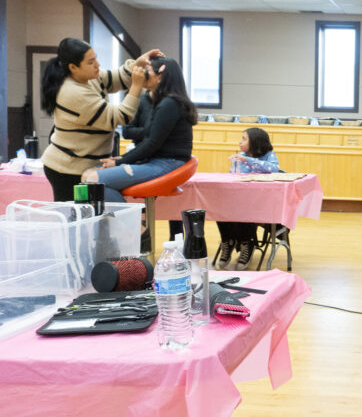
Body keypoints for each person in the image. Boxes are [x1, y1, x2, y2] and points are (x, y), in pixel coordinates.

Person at [39, 37, 160, 202]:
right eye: (91, 62)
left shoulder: (88, 77)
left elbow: (116, 78)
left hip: (88, 166)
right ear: (73, 67)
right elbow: (120, 117)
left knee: (91, 219)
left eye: (95, 58)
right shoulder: (73, 92)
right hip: (68, 168)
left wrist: (137, 64)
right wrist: (136, 87)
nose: (98, 64)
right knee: (76, 222)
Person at [83, 57, 196, 202]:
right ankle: (127, 222)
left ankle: (131, 224)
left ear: (160, 77)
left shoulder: (169, 104)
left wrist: (119, 162)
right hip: (161, 161)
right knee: (88, 175)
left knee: (93, 180)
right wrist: (123, 159)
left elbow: (151, 143)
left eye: (147, 71)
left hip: (166, 163)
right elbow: (149, 141)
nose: (143, 75)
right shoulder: (167, 102)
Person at [215, 127, 281, 270]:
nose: (240, 142)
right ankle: (228, 241)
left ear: (255, 141)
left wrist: (247, 159)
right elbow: (232, 176)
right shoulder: (240, 156)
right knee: (219, 207)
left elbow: (273, 169)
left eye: (244, 138)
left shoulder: (268, 155)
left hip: (260, 203)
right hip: (238, 199)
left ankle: (247, 243)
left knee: (245, 207)